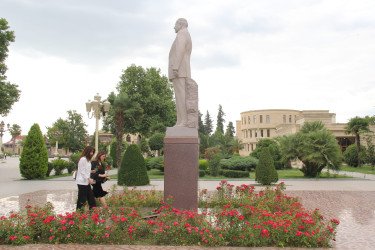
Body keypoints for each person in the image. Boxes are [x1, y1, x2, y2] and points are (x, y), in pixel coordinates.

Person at [168, 18, 192, 127]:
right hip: (181, 69)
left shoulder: (182, 34)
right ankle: (180, 120)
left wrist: (175, 67)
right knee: (179, 96)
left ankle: (184, 121)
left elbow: (180, 50)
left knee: (181, 96)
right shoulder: (185, 34)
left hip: (180, 70)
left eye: (175, 24)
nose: (174, 27)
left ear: (181, 24)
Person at [76, 146, 96, 211]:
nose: (92, 153)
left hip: (86, 182)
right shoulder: (83, 159)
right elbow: (82, 171)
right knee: (82, 199)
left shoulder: (88, 160)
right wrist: (89, 179)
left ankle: (93, 210)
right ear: (87, 152)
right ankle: (79, 213)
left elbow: (85, 170)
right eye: (91, 152)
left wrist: (90, 171)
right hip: (82, 182)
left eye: (93, 152)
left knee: (91, 197)